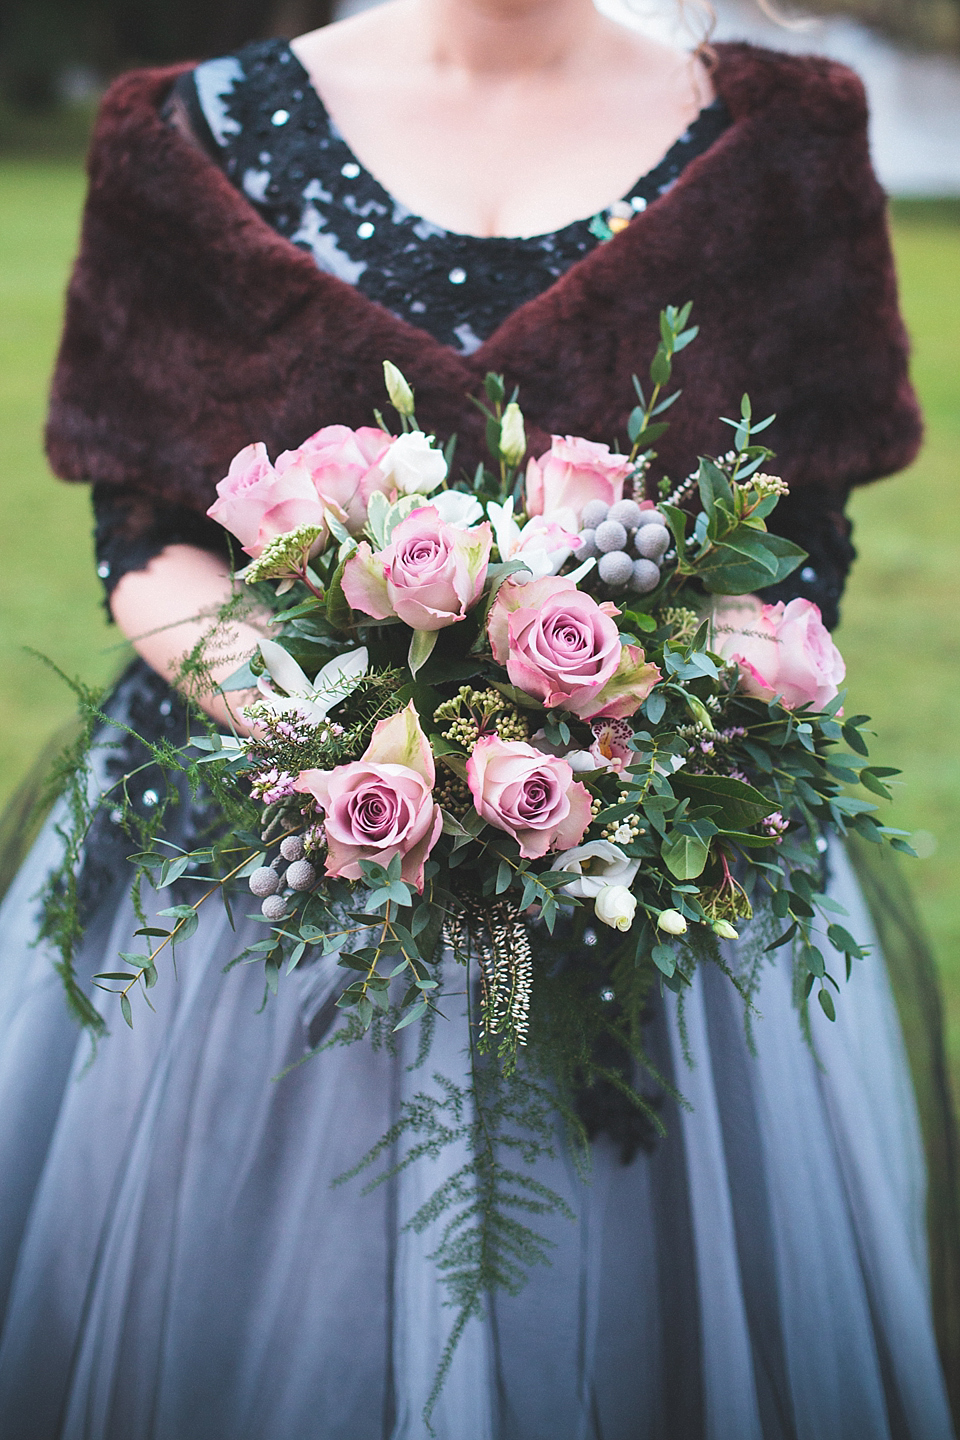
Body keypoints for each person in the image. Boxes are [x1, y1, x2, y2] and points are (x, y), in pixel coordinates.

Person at [0, 1, 956, 1435]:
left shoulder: (788, 139)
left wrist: (574, 742)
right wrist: (345, 744)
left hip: (656, 877)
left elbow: (799, 543)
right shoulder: (187, 134)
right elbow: (141, 530)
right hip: (255, 880)